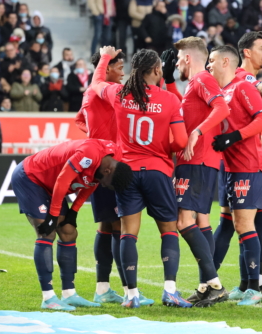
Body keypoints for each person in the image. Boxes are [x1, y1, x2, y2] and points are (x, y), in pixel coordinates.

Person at [90, 46, 191, 308]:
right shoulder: (170, 99)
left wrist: (103, 58)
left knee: (127, 233)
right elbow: (180, 141)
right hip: (157, 171)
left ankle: (131, 295)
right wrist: (161, 149)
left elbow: (97, 83)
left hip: (127, 172)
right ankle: (170, 291)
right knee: (168, 230)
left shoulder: (119, 94)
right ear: (157, 70)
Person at [10, 137, 134, 311]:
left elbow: (92, 183)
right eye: (108, 183)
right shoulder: (90, 153)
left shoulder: (113, 160)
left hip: (52, 185)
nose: (105, 186)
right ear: (107, 170)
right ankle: (48, 297)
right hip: (32, 177)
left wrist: (74, 211)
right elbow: (62, 180)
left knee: (69, 232)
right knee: (47, 232)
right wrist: (53, 216)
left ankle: (68, 294)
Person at [214, 30, 262, 300]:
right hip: (240, 161)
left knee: (244, 219)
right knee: (242, 221)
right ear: (246, 53)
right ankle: (250, 283)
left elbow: (248, 120)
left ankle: (245, 282)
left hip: (237, 160)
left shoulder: (232, 84)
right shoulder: (243, 79)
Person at [163, 37, 229, 307]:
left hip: (196, 158)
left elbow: (222, 107)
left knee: (182, 220)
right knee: (201, 221)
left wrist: (197, 132)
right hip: (201, 160)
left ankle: (215, 284)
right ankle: (206, 285)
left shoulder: (202, 80)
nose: (177, 63)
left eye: (179, 59)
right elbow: (185, 108)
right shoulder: (195, 85)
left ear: (188, 59)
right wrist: (168, 80)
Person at [207, 45, 262, 306]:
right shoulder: (219, 92)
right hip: (229, 166)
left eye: (212, 61)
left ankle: (255, 289)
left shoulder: (242, 87)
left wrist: (234, 137)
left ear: (226, 62)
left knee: (245, 225)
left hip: (248, 164)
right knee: (229, 223)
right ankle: (240, 284)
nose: (208, 65)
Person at [75, 50, 138, 305]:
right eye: (119, 67)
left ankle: (102, 288)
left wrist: (96, 132)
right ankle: (127, 290)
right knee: (117, 226)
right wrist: (106, 139)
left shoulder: (92, 96)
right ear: (106, 69)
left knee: (106, 224)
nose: (123, 72)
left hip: (104, 161)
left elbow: (80, 120)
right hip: (108, 164)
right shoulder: (100, 92)